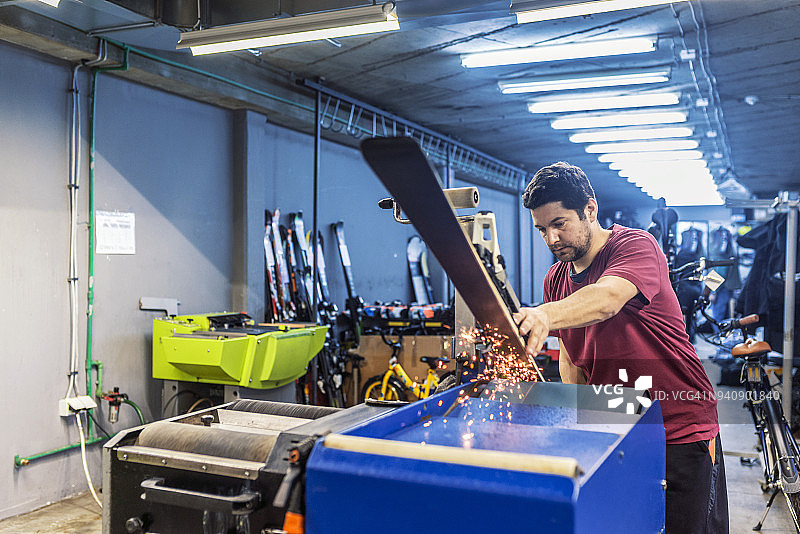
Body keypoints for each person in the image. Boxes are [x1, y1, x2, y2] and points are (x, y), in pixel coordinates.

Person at [513, 162, 727, 534]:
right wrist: (576, 424)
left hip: (679, 427)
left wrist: (543, 315)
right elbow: (570, 358)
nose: (550, 239)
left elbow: (608, 297)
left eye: (559, 224)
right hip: (619, 429)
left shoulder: (634, 245)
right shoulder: (555, 279)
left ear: (590, 210)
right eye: (542, 229)